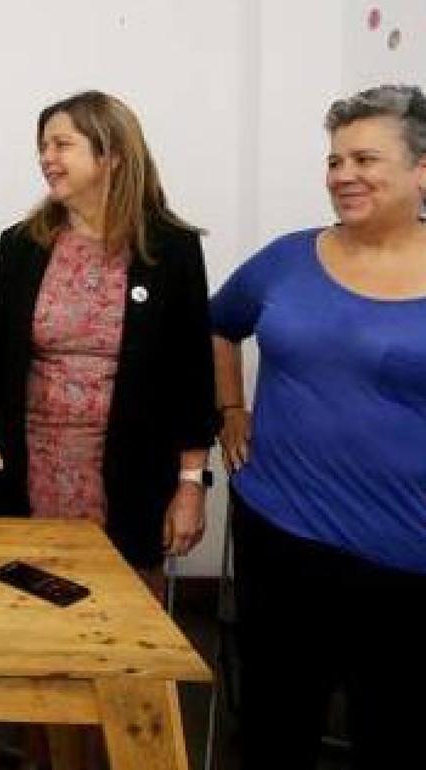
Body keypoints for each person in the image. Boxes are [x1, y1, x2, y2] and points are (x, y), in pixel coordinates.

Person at [211, 84, 426, 770]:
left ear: (422, 170)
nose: (342, 175)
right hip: (278, 533)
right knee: (276, 725)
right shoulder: (287, 258)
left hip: (402, 557)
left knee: (393, 729)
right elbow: (220, 324)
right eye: (334, 161)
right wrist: (231, 410)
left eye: (364, 158)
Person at [0, 90, 216, 595]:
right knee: (32, 601)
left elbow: (192, 376)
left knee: (124, 609)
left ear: (111, 154)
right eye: (43, 147)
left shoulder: (170, 248)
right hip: (33, 461)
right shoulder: (21, 244)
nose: (46, 159)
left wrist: (191, 486)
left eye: (62, 145)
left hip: (132, 468)